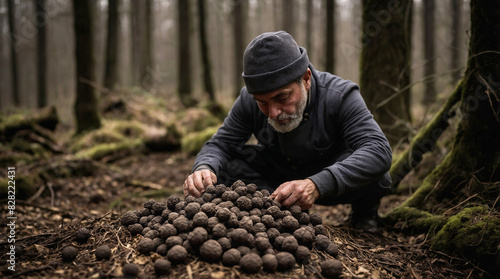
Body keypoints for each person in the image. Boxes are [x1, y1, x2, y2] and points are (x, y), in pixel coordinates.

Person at [183, 31, 392, 233]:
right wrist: (204, 167)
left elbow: (378, 149)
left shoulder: (340, 96)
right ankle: (267, 212)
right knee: (225, 166)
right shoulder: (248, 99)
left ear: (306, 79)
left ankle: (364, 215)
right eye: (262, 103)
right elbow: (221, 144)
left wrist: (317, 184)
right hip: (275, 178)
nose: (273, 113)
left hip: (328, 178)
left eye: (282, 98)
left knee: (376, 174)